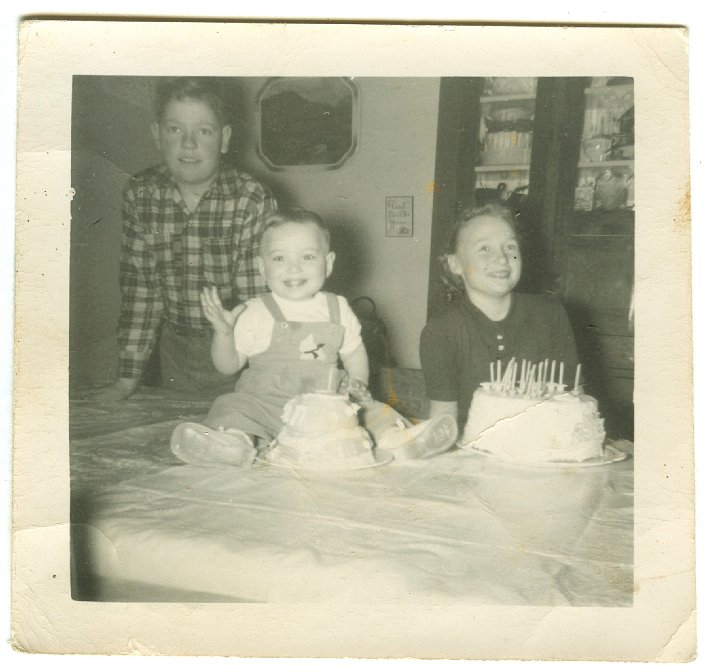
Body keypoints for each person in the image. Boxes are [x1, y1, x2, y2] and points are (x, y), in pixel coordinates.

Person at [171, 208, 458, 466]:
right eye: (280, 258)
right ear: (261, 267)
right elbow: (228, 366)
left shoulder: (338, 307)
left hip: (327, 410)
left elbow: (354, 352)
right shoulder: (254, 311)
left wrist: (357, 386)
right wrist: (223, 334)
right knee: (230, 406)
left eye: (307, 257)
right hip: (266, 405)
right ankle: (233, 443)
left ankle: (401, 440)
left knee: (375, 411)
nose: (293, 268)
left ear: (328, 263)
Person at [92, 76, 277, 401]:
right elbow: (141, 293)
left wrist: (266, 378)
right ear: (157, 135)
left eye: (204, 130)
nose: (188, 143)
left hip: (240, 347)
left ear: (224, 138)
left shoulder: (251, 198)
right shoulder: (141, 194)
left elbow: (256, 302)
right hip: (175, 349)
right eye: (175, 129)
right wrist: (126, 378)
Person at [420, 201, 579, 433]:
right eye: (484, 249)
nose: (502, 259)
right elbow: (443, 419)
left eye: (511, 247)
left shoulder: (551, 315)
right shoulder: (441, 331)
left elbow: (575, 402)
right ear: (456, 264)